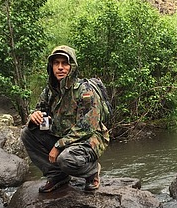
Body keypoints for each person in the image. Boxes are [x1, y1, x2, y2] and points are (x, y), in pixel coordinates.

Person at [21, 45, 110, 193]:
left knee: (66, 159)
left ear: (72, 66)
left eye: (65, 63)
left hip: (89, 139)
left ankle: (92, 171)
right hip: (62, 137)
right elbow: (40, 111)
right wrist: (34, 116)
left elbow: (88, 126)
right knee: (27, 133)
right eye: (56, 63)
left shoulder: (85, 91)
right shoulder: (50, 91)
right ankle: (57, 176)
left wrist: (58, 146)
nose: (60, 67)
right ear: (52, 66)